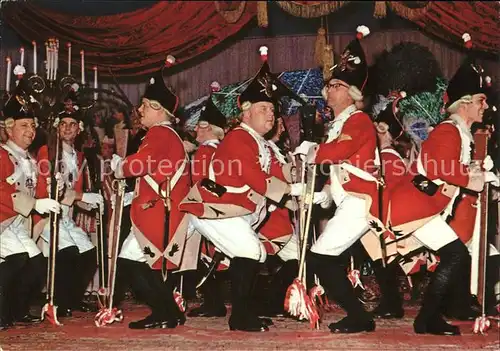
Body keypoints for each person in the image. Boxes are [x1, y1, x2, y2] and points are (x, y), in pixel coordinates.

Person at [180, 48, 301, 332]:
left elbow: (276, 173)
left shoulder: (259, 142)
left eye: (272, 109)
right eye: (263, 109)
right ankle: (240, 317)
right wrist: (290, 191)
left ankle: (246, 311)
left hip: (235, 213)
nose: (270, 114)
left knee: (255, 254)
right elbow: (255, 176)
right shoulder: (238, 140)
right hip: (215, 211)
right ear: (245, 111)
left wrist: (301, 170)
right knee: (249, 250)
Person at [387, 33, 498, 335]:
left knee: (458, 254)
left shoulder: (460, 134)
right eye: (480, 100)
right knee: (456, 254)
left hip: (427, 206)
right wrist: (477, 178)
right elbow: (439, 167)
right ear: (464, 104)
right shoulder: (449, 131)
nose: (485, 106)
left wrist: (480, 173)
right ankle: (427, 318)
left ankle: (432, 316)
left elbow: (451, 168)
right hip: (416, 205)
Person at [293, 25, 378, 334]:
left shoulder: (359, 120)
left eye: (336, 84)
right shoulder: (339, 123)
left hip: (360, 203)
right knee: (324, 259)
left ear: (352, 92)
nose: (329, 90)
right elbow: (339, 176)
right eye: (329, 85)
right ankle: (359, 315)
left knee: (321, 259)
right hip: (348, 201)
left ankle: (359, 316)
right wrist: (317, 196)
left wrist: (314, 151)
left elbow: (341, 153)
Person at [110, 56, 192, 329]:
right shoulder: (166, 134)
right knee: (139, 264)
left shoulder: (159, 134)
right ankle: (169, 312)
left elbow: (141, 163)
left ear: (159, 109)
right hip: (158, 210)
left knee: (132, 264)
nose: (140, 110)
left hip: (157, 212)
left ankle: (165, 312)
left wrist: (119, 166)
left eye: (145, 106)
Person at [0, 85, 60, 329]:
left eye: (33, 126)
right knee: (17, 260)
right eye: (24, 125)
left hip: (17, 223)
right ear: (8, 127)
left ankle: (16, 309)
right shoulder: (2, 155)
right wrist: (34, 203)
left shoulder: (30, 160)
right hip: (2, 220)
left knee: (35, 264)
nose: (31, 131)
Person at [37, 97, 103, 317]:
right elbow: (52, 189)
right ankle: (58, 301)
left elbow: (77, 195)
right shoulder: (48, 152)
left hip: (65, 217)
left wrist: (96, 202)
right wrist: (84, 195)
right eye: (63, 124)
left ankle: (73, 298)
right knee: (69, 253)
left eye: (72, 124)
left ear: (79, 130)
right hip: (47, 215)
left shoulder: (80, 156)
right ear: (57, 127)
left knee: (89, 253)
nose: (67, 128)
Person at [187, 89, 229, 318]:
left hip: (205, 208)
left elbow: (201, 183)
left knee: (206, 255)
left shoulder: (204, 152)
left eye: (201, 126)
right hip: (222, 208)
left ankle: (213, 304)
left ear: (212, 129)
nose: (196, 130)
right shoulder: (222, 150)